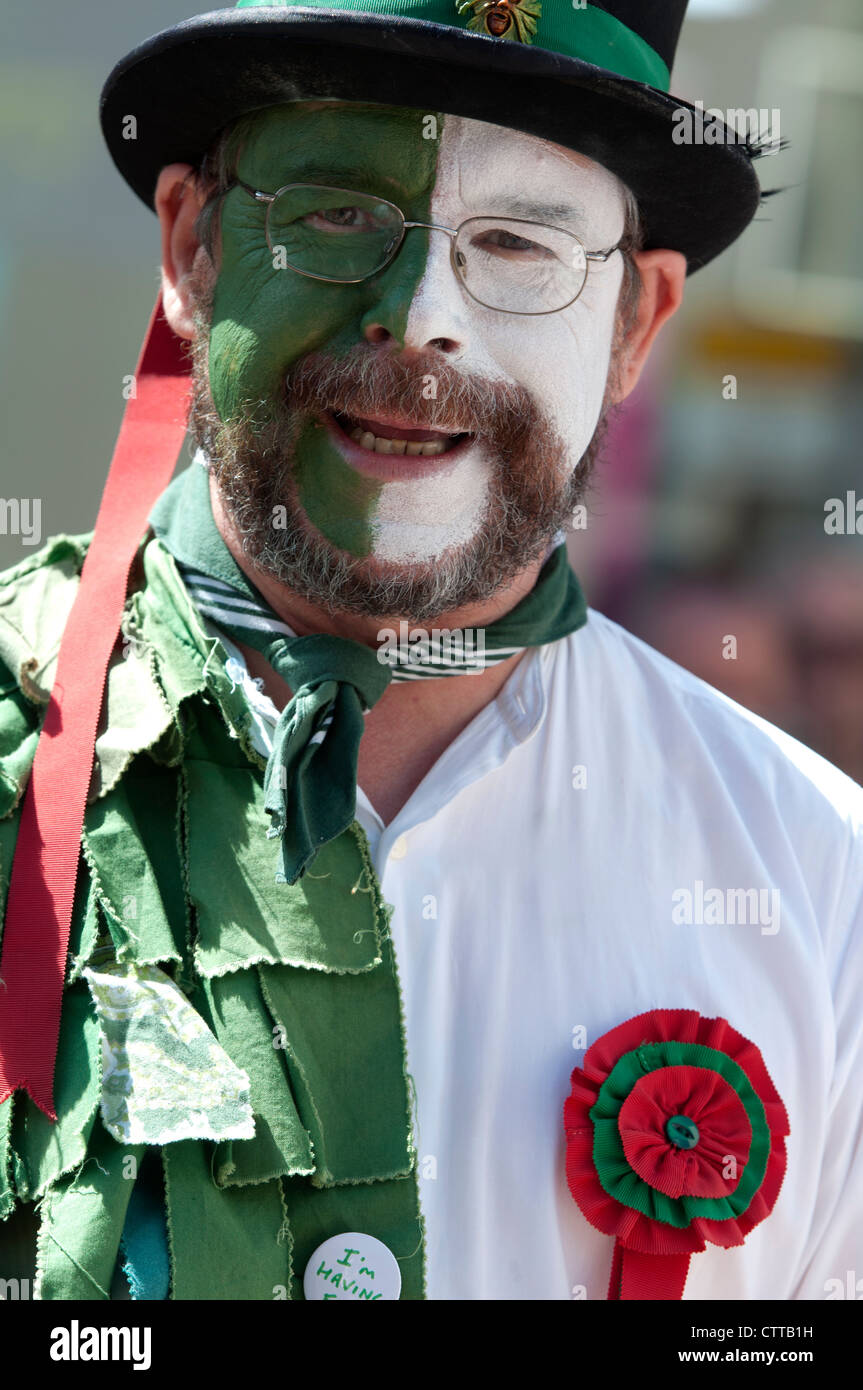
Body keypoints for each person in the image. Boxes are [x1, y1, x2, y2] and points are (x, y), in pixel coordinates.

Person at [0, 0, 860, 1302]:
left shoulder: (824, 886)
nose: (420, 319)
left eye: (519, 244)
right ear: (190, 245)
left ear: (638, 323)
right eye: (339, 215)